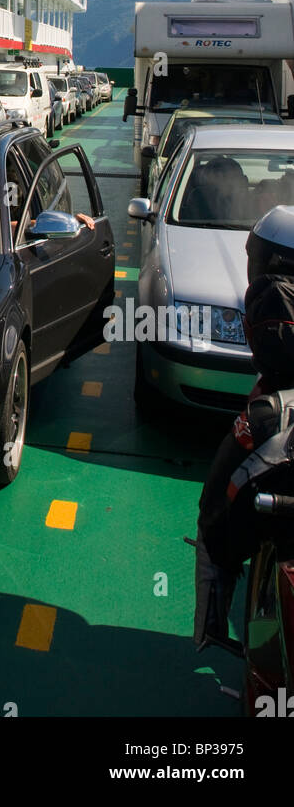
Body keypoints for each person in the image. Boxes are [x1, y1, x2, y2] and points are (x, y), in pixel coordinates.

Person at [194, 207, 294, 650]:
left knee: (218, 504)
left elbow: (275, 360)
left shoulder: (273, 295)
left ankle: (211, 622)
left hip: (282, 416)